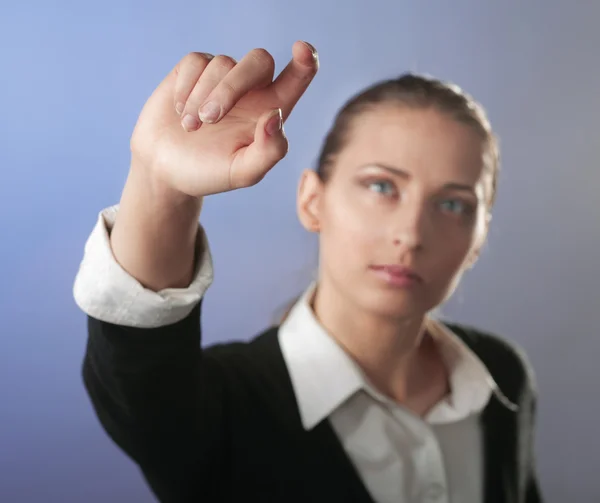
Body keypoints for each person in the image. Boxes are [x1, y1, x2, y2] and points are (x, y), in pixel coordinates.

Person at [73, 41, 542, 503]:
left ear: (479, 237)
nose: (412, 234)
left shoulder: (503, 378)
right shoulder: (222, 408)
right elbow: (136, 370)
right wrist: (161, 184)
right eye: (381, 185)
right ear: (312, 201)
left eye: (452, 204)